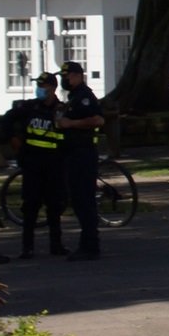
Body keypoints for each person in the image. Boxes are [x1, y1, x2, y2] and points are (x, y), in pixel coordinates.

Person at [9, 73, 70, 257]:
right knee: (30, 207)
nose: (40, 89)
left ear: (52, 87)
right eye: (39, 85)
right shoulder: (29, 107)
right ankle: (27, 248)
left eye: (43, 86)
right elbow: (8, 119)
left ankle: (56, 245)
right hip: (32, 164)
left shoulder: (60, 110)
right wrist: (13, 137)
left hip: (53, 164)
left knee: (54, 206)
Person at [56, 60, 105, 260]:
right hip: (73, 154)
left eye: (67, 76)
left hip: (83, 154)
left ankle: (90, 245)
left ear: (77, 76)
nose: (64, 80)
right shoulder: (73, 96)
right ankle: (87, 243)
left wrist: (72, 123)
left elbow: (98, 119)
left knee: (84, 199)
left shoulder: (85, 96)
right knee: (78, 199)